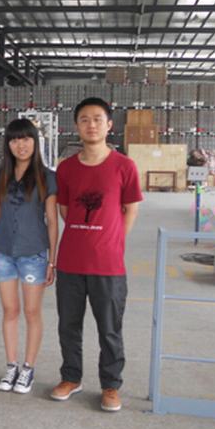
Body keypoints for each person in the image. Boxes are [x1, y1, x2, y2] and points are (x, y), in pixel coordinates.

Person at [50, 97, 142, 412]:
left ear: (109, 125)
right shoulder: (66, 168)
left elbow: (131, 209)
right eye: (85, 119)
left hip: (108, 265)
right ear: (77, 126)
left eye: (98, 119)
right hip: (71, 262)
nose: (91, 125)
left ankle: (110, 385)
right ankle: (70, 377)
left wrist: (113, 240)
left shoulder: (124, 166)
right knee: (68, 326)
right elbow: (65, 210)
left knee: (109, 329)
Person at [0, 119, 58, 395]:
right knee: (10, 311)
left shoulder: (46, 177)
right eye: (15, 140)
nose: (21, 145)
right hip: (3, 252)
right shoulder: (0, 175)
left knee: (31, 312)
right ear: (8, 144)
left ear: (35, 142)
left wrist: (52, 260)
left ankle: (28, 368)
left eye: (26, 139)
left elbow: (52, 221)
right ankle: (11, 366)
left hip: (33, 254)